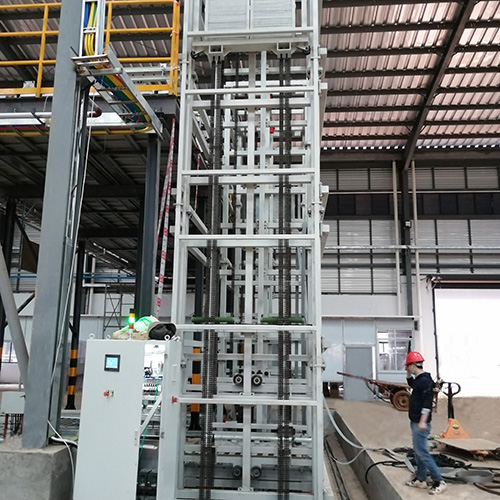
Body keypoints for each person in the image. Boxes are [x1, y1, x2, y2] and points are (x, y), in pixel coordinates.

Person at [405, 351, 447, 495]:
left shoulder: (425, 381)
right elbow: (412, 384)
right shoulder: (419, 379)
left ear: (412, 365)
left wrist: (423, 421)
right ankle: (421, 479)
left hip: (420, 423)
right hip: (415, 421)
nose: (407, 368)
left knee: (423, 453)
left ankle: (439, 481)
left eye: (408, 366)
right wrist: (408, 374)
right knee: (418, 453)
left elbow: (427, 404)